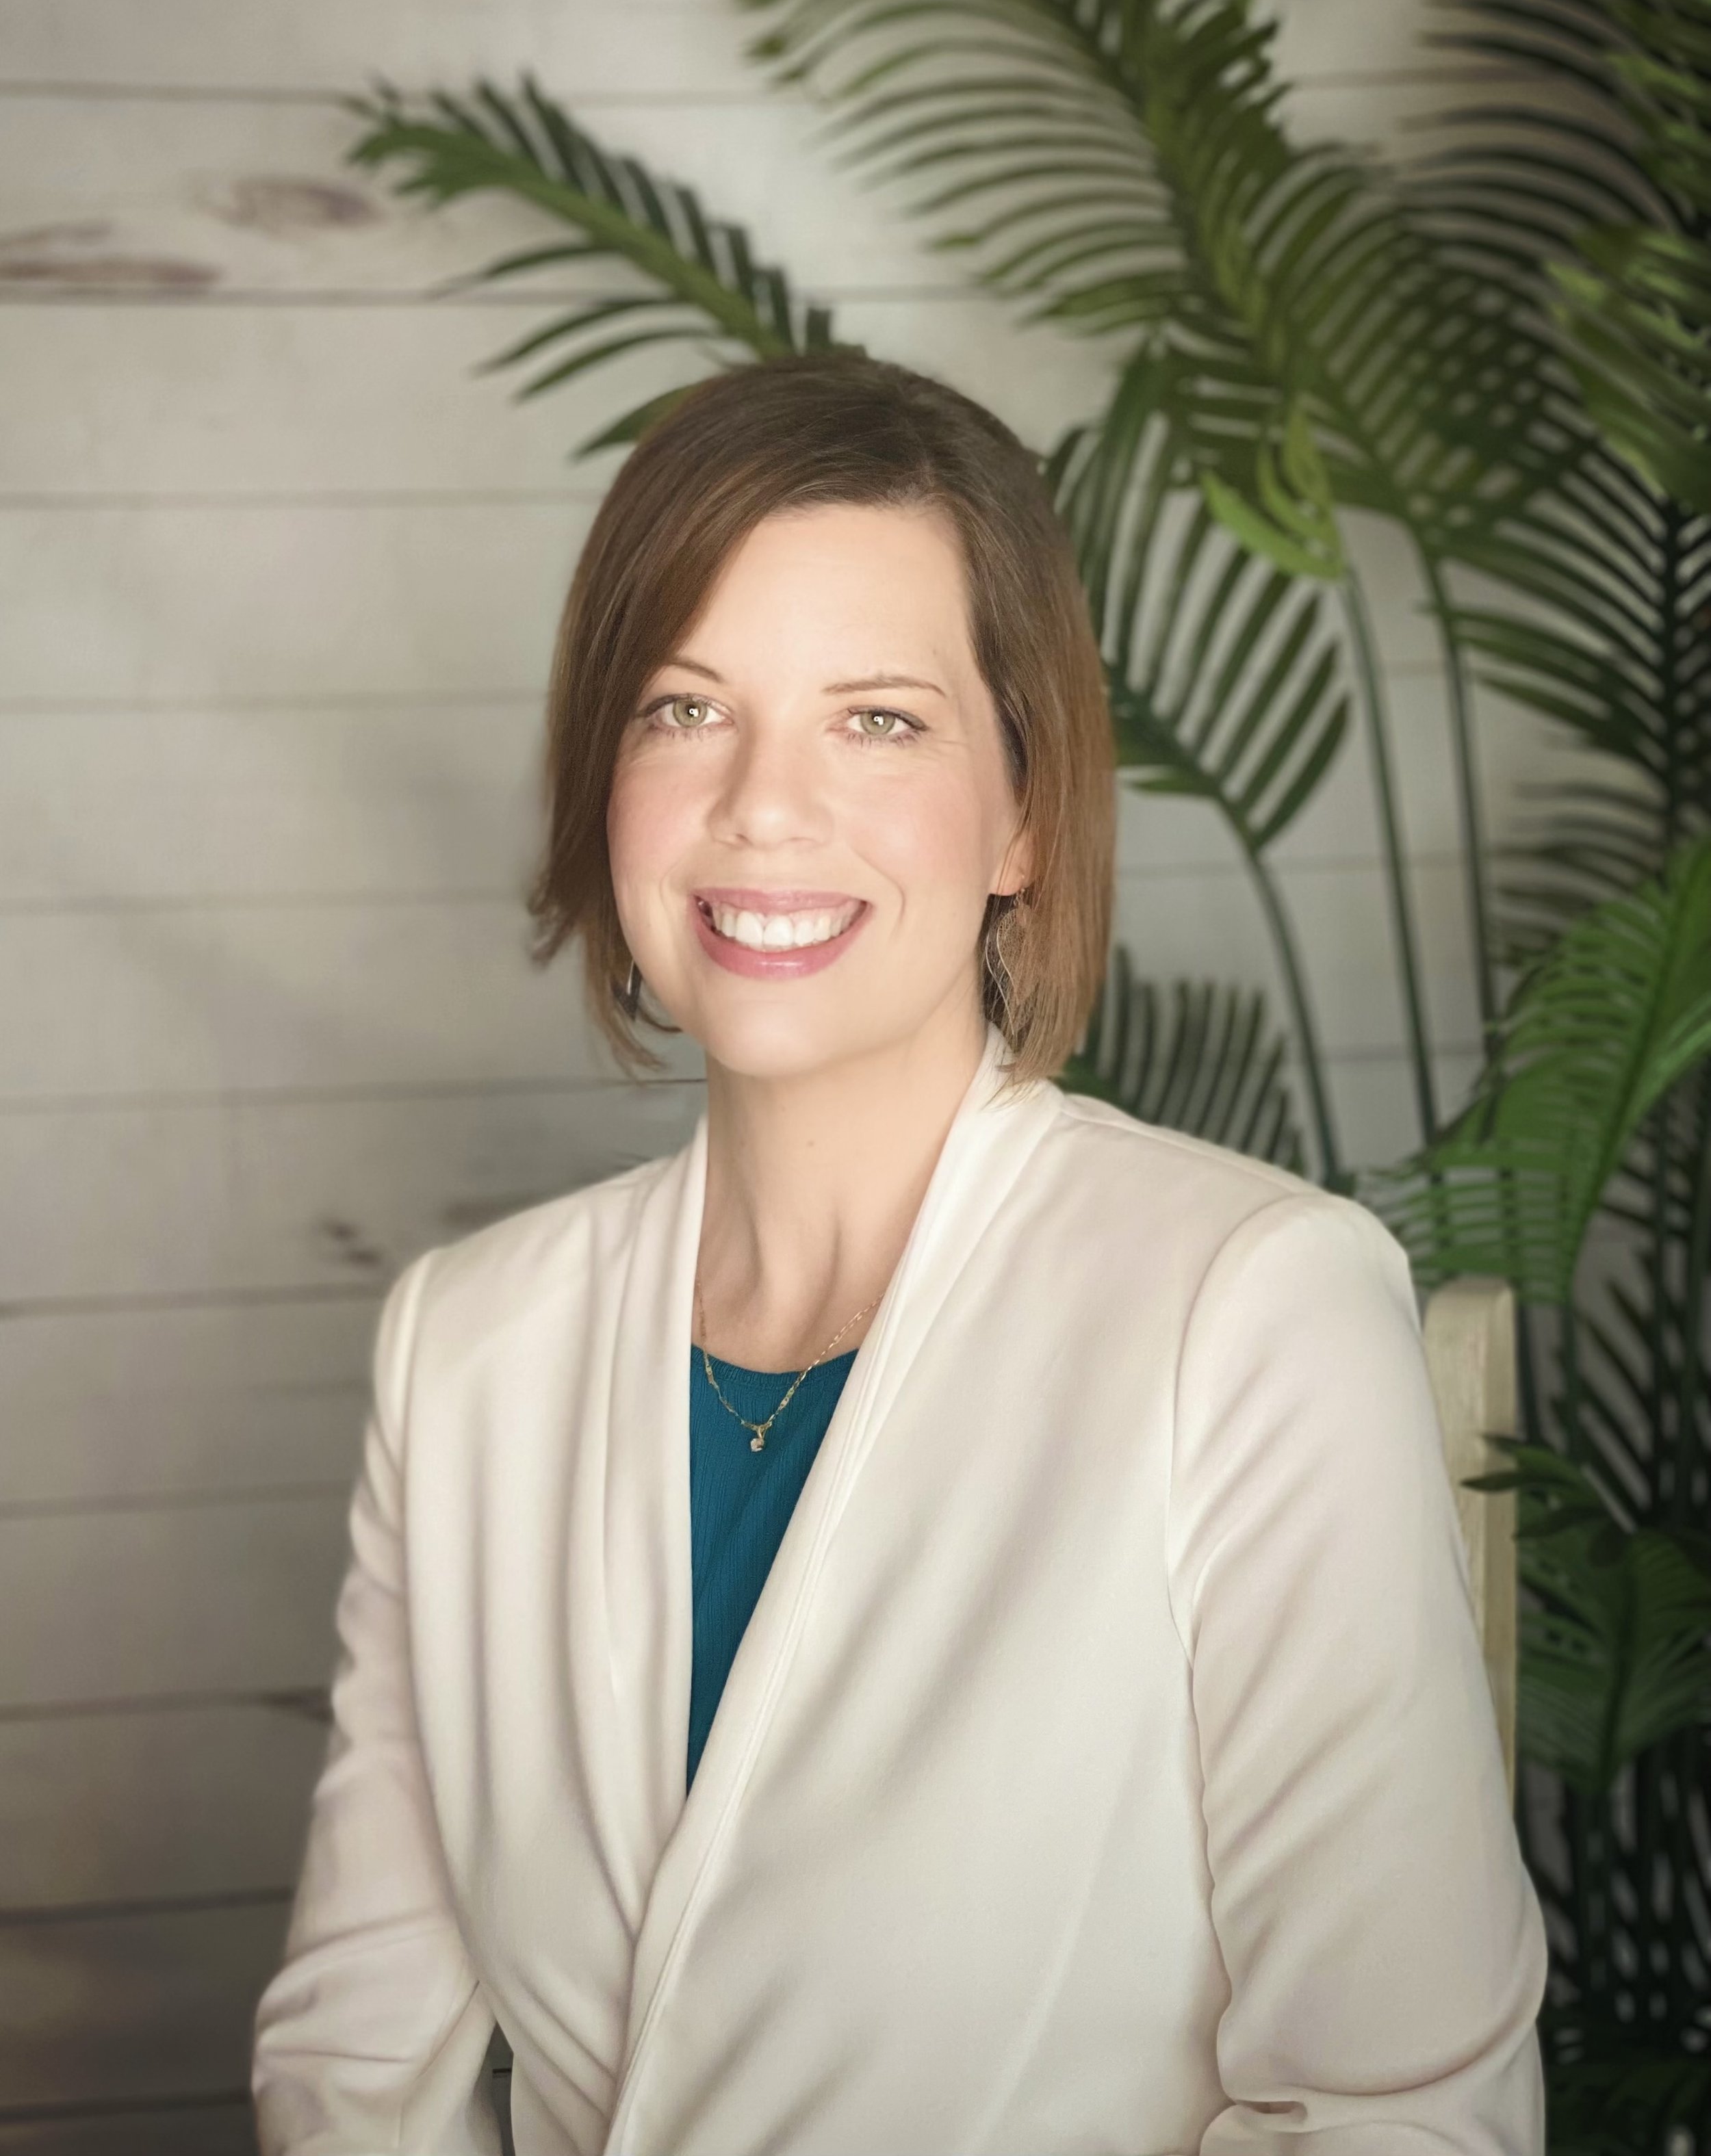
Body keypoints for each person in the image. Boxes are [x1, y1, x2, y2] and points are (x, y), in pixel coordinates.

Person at [251, 354, 1547, 2154]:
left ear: (1022, 811)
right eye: (683, 708)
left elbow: (1401, 2111)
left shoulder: (1245, 1308)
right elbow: (352, 2075)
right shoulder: (466, 1344)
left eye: (875, 719)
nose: (762, 807)